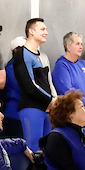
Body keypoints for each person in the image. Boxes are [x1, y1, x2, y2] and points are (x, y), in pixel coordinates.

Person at [12, 18, 56, 152]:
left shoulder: (43, 56)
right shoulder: (22, 54)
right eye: (42, 29)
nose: (46, 32)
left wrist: (55, 100)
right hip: (32, 107)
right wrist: (51, 100)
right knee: (34, 150)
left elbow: (49, 82)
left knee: (47, 149)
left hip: (47, 108)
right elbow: (29, 86)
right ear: (31, 32)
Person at [51, 33, 85, 111]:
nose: (81, 47)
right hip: (72, 111)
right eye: (77, 44)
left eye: (81, 44)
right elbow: (67, 90)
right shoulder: (61, 66)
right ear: (68, 47)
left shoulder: (84, 64)